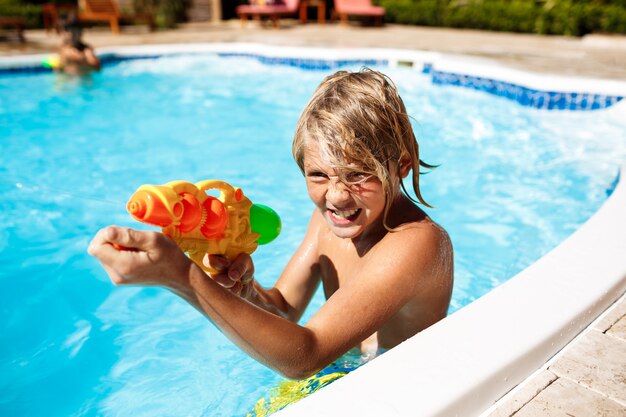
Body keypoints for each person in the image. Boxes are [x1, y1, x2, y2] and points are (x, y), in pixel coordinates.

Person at [88, 68, 454, 380]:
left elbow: (306, 356)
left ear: (402, 165)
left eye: (358, 175)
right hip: (342, 375)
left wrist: (182, 277)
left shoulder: (417, 242)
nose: (337, 196)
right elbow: (283, 310)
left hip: (399, 393)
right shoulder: (327, 223)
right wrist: (245, 291)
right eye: (319, 175)